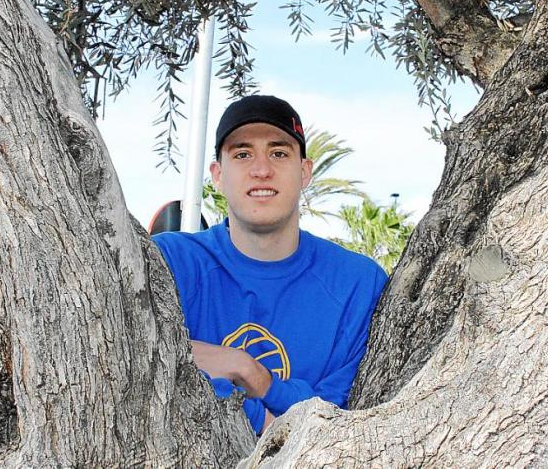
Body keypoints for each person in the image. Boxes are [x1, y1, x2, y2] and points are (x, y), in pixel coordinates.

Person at [153, 95, 387, 435]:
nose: (261, 170)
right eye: (242, 154)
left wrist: (255, 376)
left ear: (304, 172)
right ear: (218, 175)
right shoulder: (172, 262)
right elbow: (139, 363)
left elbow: (338, 417)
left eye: (278, 153)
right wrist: (261, 416)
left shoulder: (357, 284)